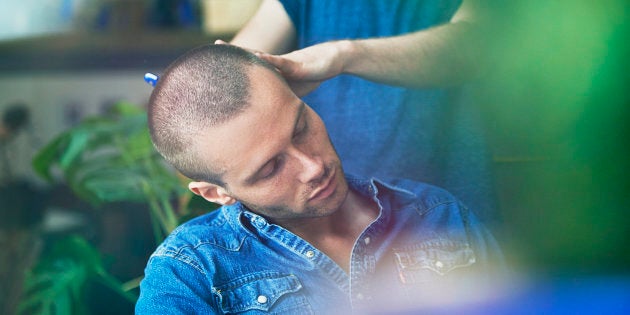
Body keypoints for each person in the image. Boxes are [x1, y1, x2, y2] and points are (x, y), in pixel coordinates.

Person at [136, 44, 506, 314]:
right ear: (216, 193)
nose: (313, 166)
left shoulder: (438, 215)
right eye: (270, 168)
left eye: (300, 127)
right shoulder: (190, 272)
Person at [226, 0, 499, 226]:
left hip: (446, 210)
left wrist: (342, 56)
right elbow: (235, 58)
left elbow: (476, 45)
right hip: (331, 218)